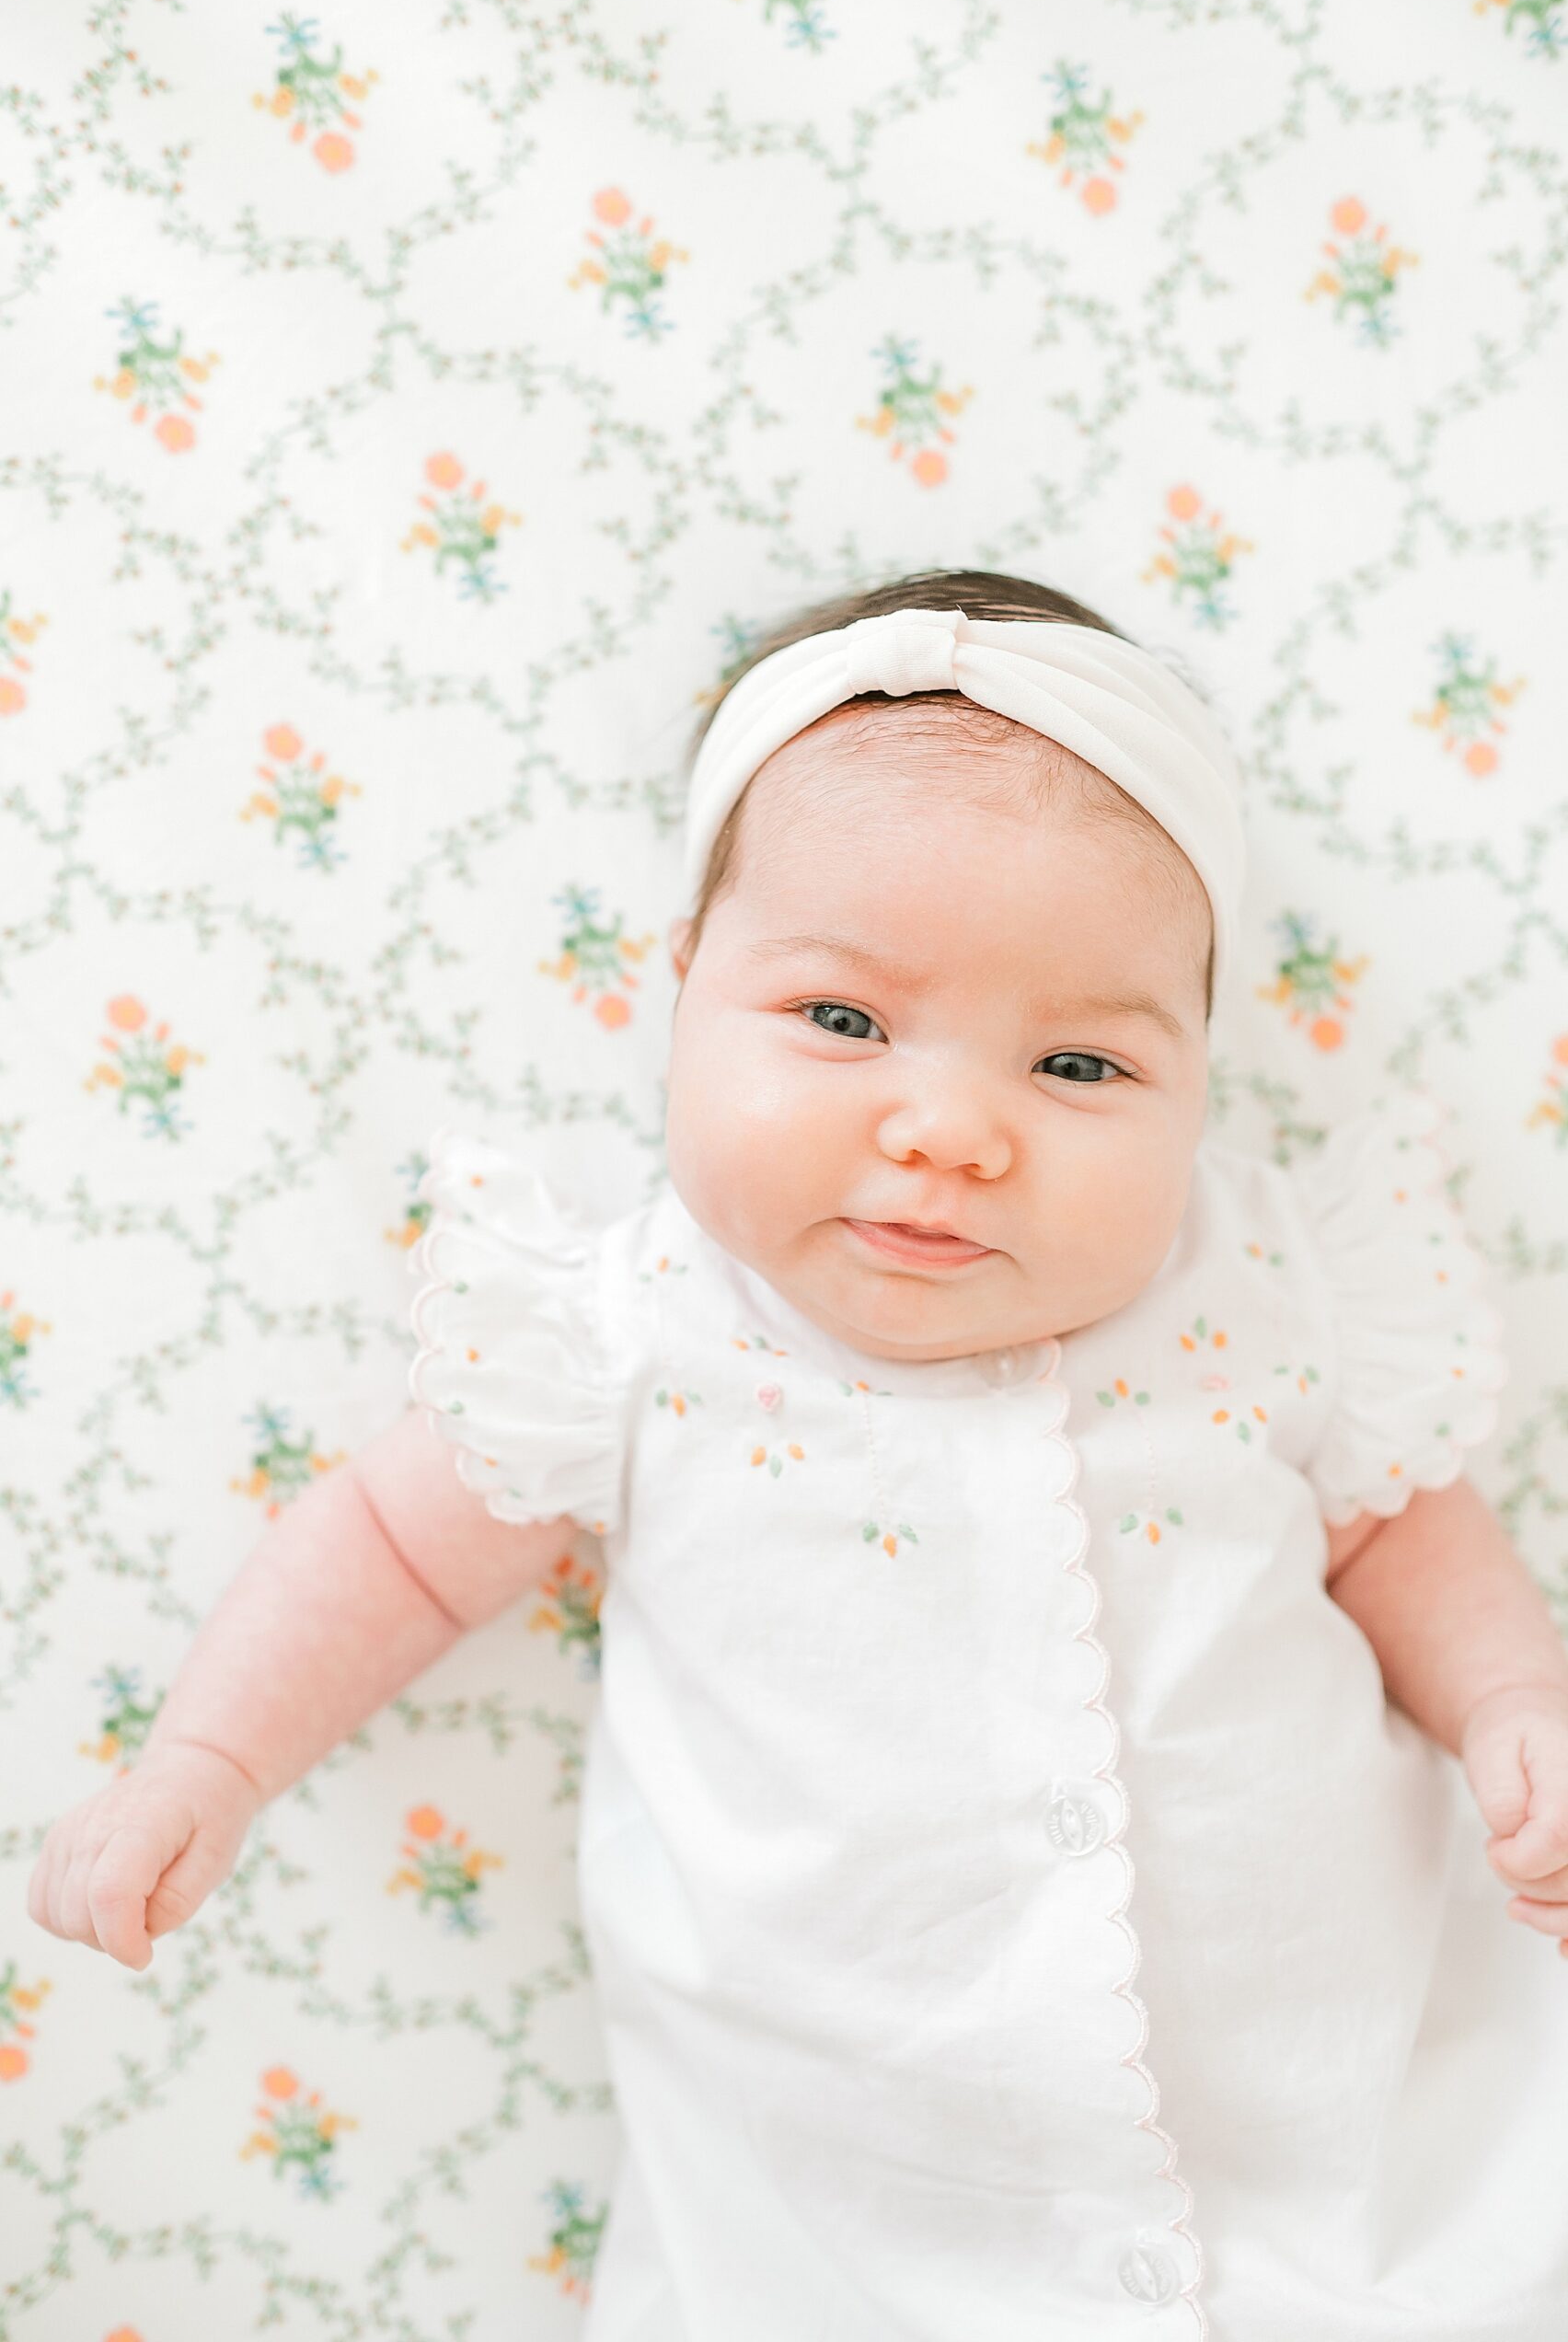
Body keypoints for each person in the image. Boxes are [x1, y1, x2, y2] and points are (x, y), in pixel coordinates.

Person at [29, 569, 1568, 2337]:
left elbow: (1402, 1532)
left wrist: (1521, 1707)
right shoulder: (624, 1329)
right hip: (844, 2231)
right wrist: (203, 1763)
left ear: (1202, 1080)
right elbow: (386, 1545)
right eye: (842, 1023)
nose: (948, 1131)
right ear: (682, 989)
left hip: (1356, 2170)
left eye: (1077, 1064)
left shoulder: (1270, 1282)